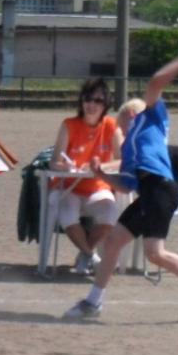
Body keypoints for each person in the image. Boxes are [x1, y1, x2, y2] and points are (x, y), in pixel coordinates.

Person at [64, 39, 178, 321]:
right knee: (113, 242)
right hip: (147, 192)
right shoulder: (128, 149)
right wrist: (101, 173)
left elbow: (158, 80)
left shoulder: (151, 119)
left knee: (154, 253)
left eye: (125, 117)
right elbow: (126, 185)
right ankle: (93, 302)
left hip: (162, 188)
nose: (122, 123)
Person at [48, 78, 120, 274]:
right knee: (66, 213)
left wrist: (100, 166)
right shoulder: (69, 125)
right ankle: (91, 255)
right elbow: (54, 162)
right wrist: (65, 167)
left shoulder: (111, 125)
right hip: (68, 186)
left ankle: (84, 255)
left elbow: (122, 161)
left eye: (98, 101)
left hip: (97, 186)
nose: (92, 105)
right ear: (81, 101)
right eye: (88, 99)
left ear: (106, 104)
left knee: (110, 213)